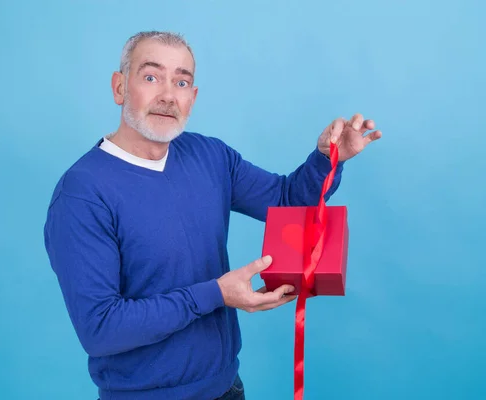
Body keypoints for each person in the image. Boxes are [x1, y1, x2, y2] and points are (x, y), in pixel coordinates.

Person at [43, 31, 381, 400]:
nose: (168, 95)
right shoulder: (82, 193)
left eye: (182, 81)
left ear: (193, 97)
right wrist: (216, 293)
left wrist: (327, 159)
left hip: (226, 389)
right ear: (120, 87)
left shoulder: (210, 156)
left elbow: (287, 202)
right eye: (151, 77)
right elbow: (101, 328)